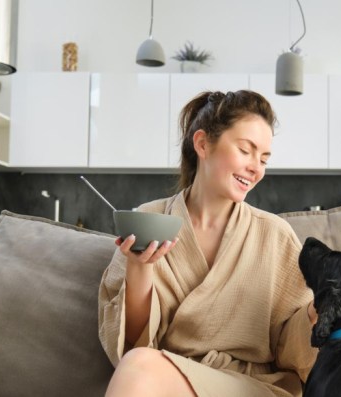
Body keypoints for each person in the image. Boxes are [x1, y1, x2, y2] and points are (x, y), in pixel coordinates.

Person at [98, 90, 319, 397]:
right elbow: (130, 344)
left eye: (264, 158)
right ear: (202, 143)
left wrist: (318, 311)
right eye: (246, 150)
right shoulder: (150, 220)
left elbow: (292, 349)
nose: (257, 168)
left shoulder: (275, 235)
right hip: (169, 380)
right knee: (139, 364)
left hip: (253, 388)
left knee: (140, 367)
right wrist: (139, 269)